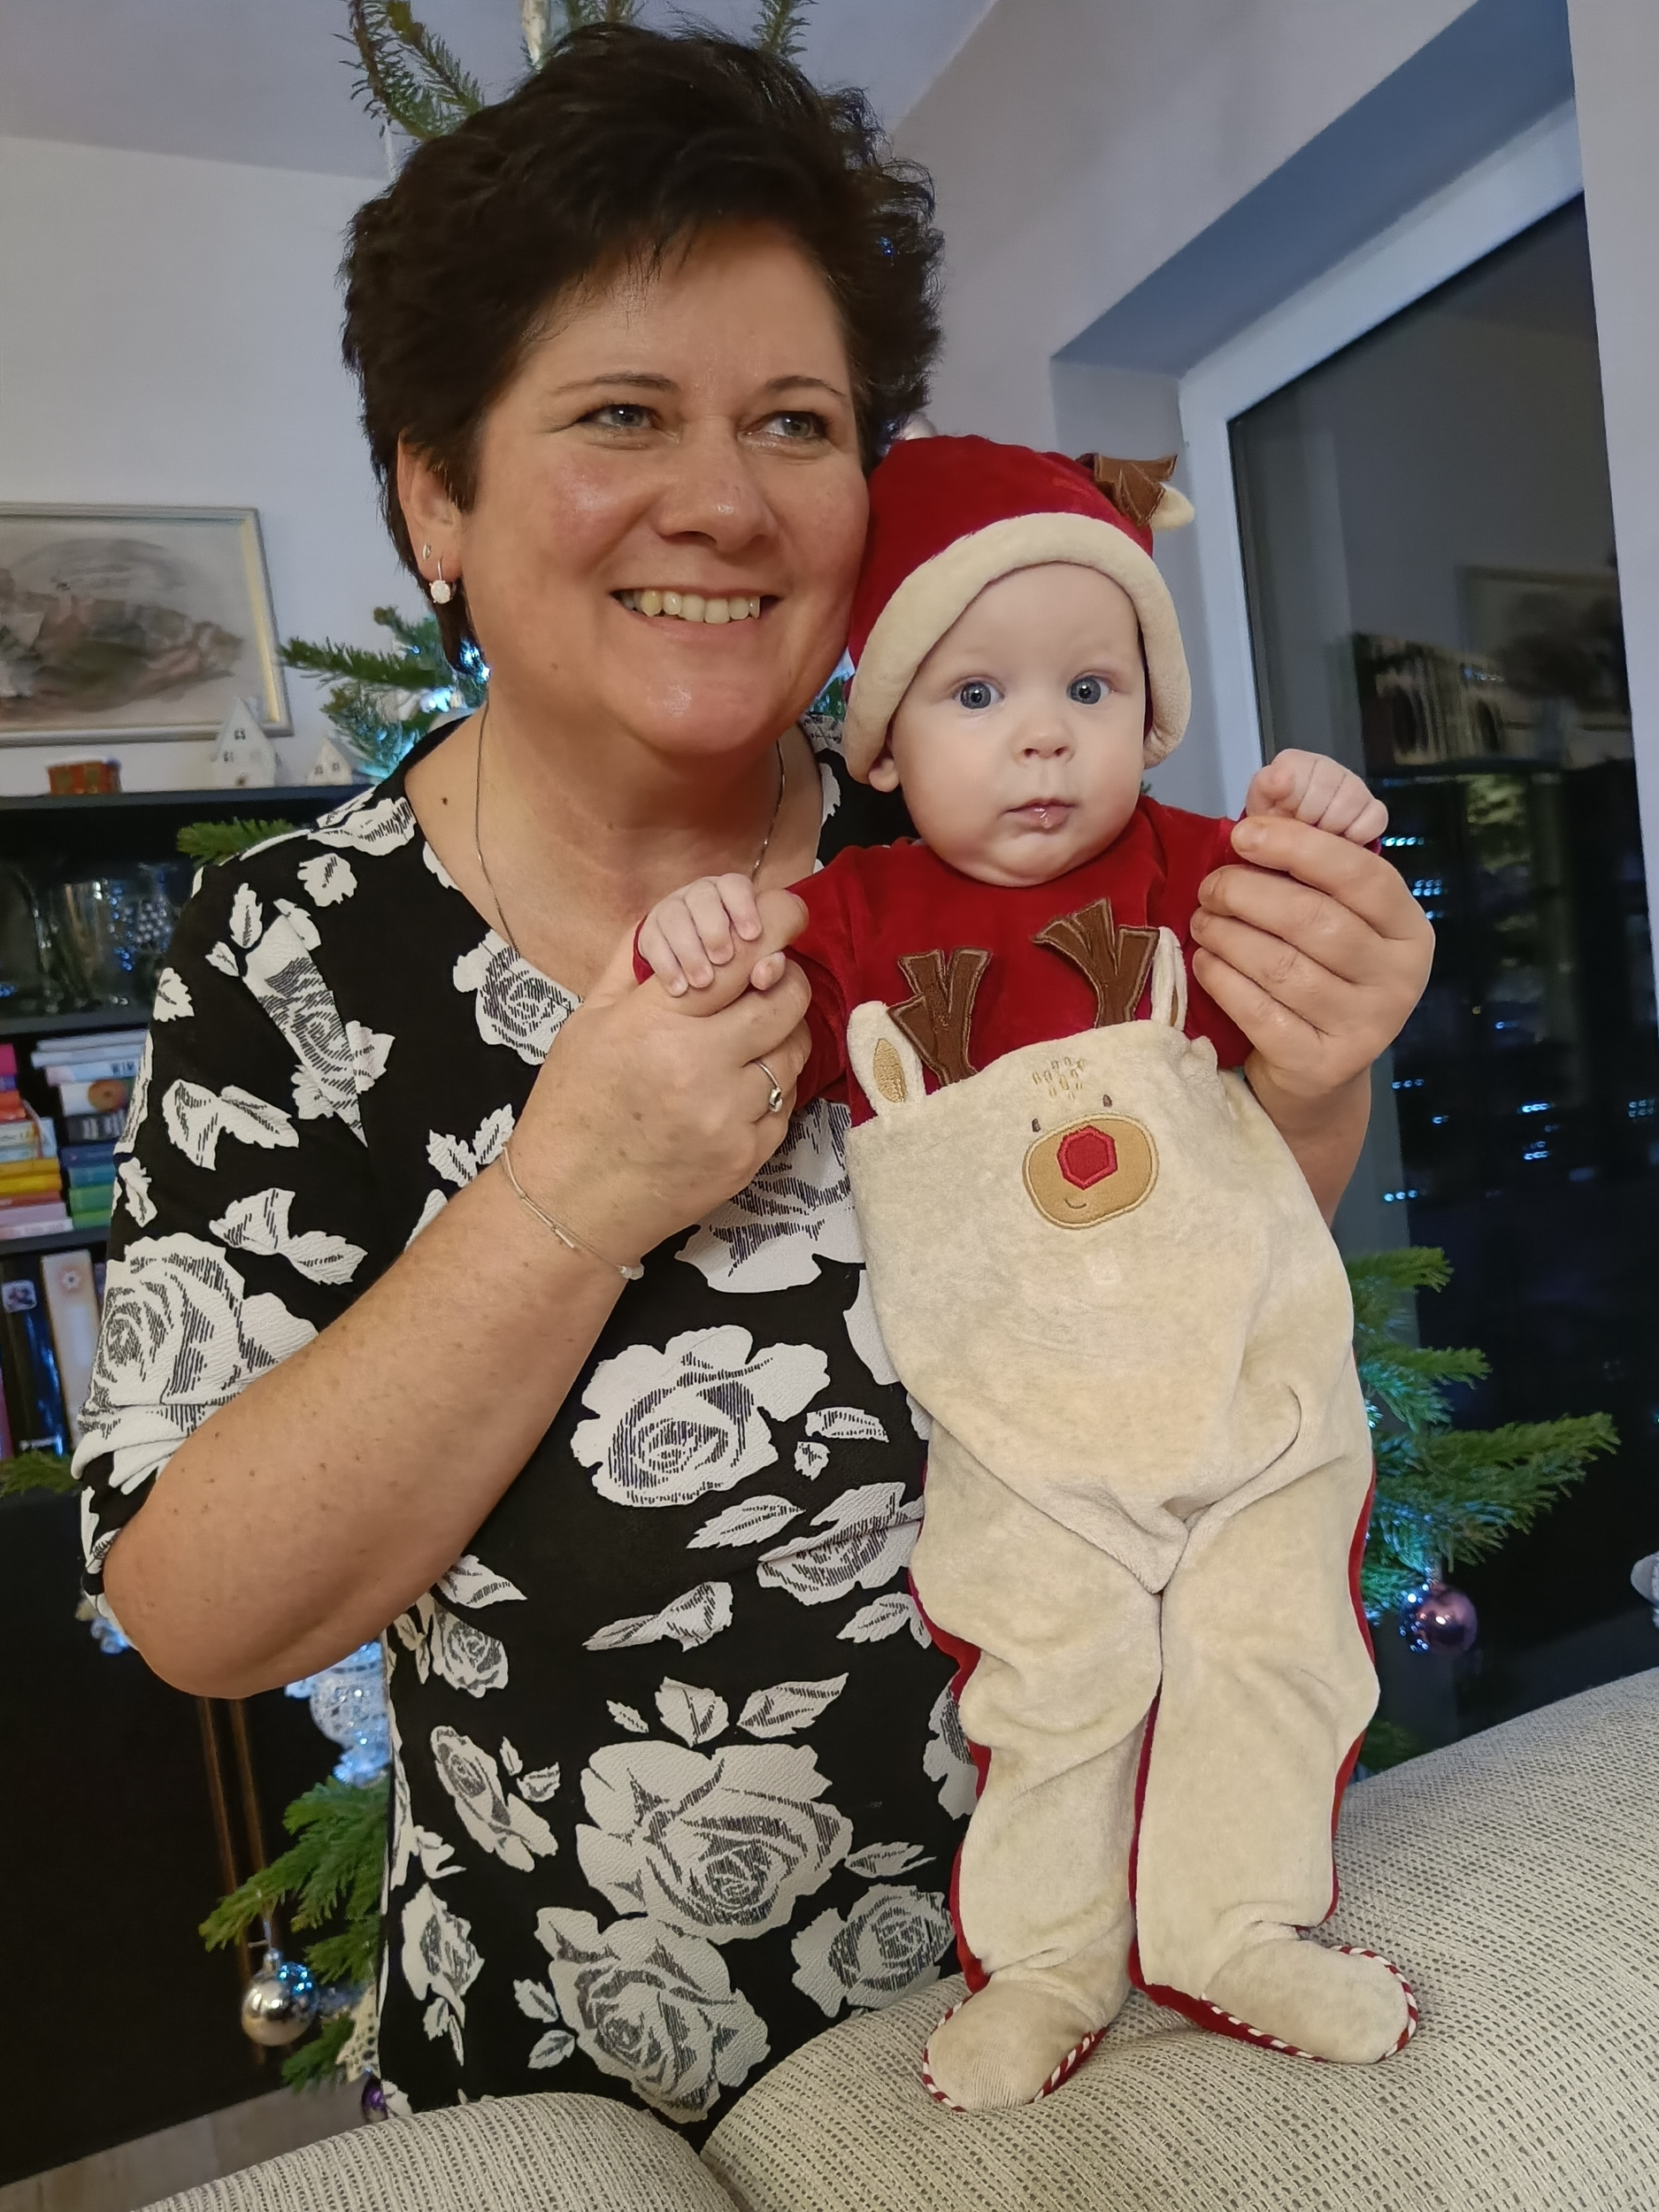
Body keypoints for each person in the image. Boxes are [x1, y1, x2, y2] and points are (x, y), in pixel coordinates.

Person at [73, 27, 1432, 2136]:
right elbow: (197, 1606)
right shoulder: (294, 951)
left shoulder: (984, 825)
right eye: (620, 412)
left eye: (794, 421)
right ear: (434, 491)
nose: (721, 499)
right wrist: (569, 1192)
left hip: (1090, 2043)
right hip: (582, 2092)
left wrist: (1314, 1070)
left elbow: (1184, 1270)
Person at [634, 435, 1422, 2110]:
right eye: (978, 694)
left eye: (1090, 686)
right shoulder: (856, 912)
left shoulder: (1190, 869)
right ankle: (1050, 1965)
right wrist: (694, 939)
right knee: (1054, 1695)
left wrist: (1324, 818)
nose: (1045, 733)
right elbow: (714, 1008)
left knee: (1268, 1655)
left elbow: (1321, 925)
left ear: (1152, 714)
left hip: (1249, 1397)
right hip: (1020, 1437)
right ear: (886, 744)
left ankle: (1238, 1926)